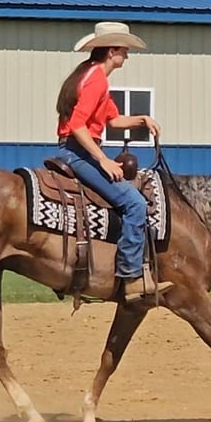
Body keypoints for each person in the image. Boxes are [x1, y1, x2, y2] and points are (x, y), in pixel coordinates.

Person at [54, 22, 174, 303]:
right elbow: (77, 126)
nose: (127, 56)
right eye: (124, 50)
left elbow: (113, 120)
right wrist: (103, 160)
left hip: (76, 149)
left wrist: (142, 119)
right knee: (135, 204)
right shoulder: (96, 79)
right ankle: (131, 275)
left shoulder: (89, 74)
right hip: (78, 151)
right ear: (111, 51)